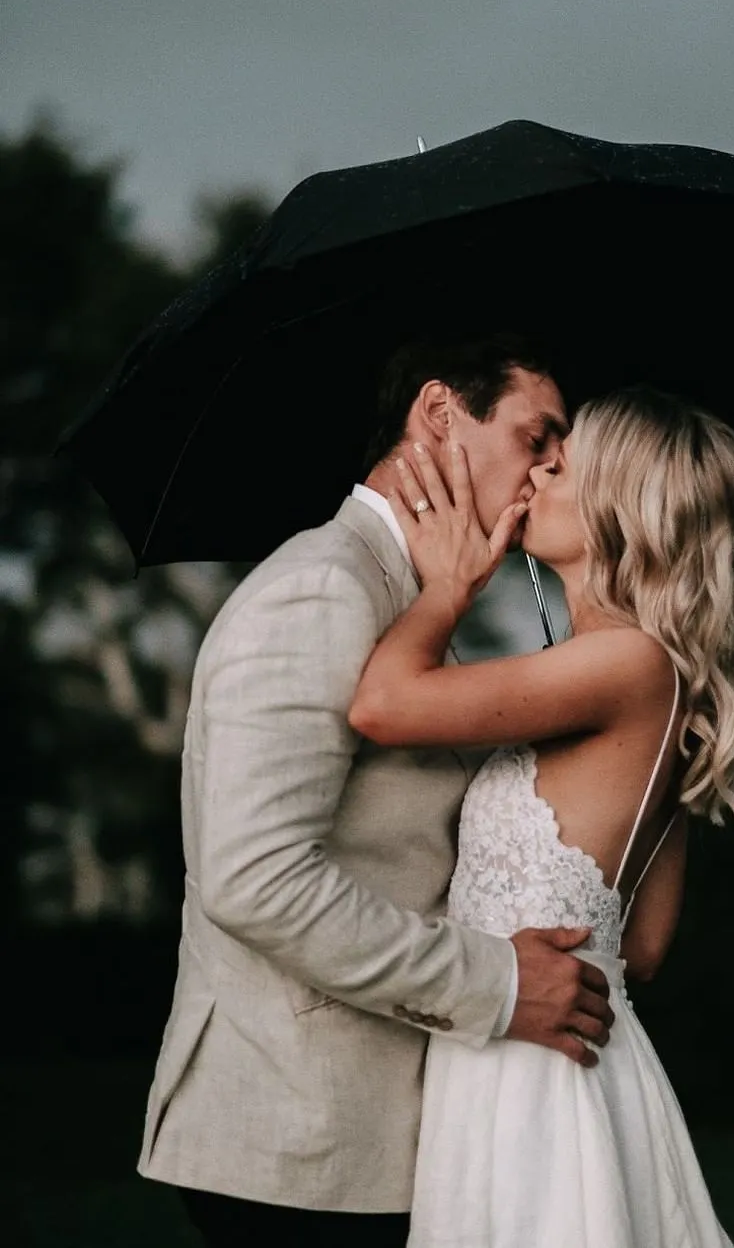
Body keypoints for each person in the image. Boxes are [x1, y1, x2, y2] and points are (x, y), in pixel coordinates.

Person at [137, 336, 616, 1248]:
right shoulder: (323, 589)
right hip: (300, 1137)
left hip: (372, 1134)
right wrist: (500, 984)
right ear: (439, 416)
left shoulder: (413, 598)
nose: (556, 462)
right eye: (536, 434)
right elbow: (255, 878)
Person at [350, 386, 734, 1247]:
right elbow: (644, 948)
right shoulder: (647, 671)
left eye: (563, 460)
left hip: (529, 1075)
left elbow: (384, 705)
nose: (539, 468)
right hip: (562, 1052)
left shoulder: (624, 662)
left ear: (623, 508)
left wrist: (450, 584)